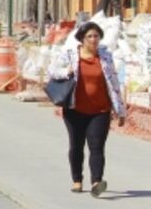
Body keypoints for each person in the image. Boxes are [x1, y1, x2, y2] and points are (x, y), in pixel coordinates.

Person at [48, 21, 126, 197]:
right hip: (75, 108)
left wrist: (120, 111)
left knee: (97, 146)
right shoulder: (70, 54)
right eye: (89, 36)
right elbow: (52, 70)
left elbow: (114, 83)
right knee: (76, 145)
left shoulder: (105, 57)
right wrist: (66, 72)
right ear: (82, 39)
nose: (93, 39)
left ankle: (97, 182)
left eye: (96, 36)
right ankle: (77, 179)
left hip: (100, 110)